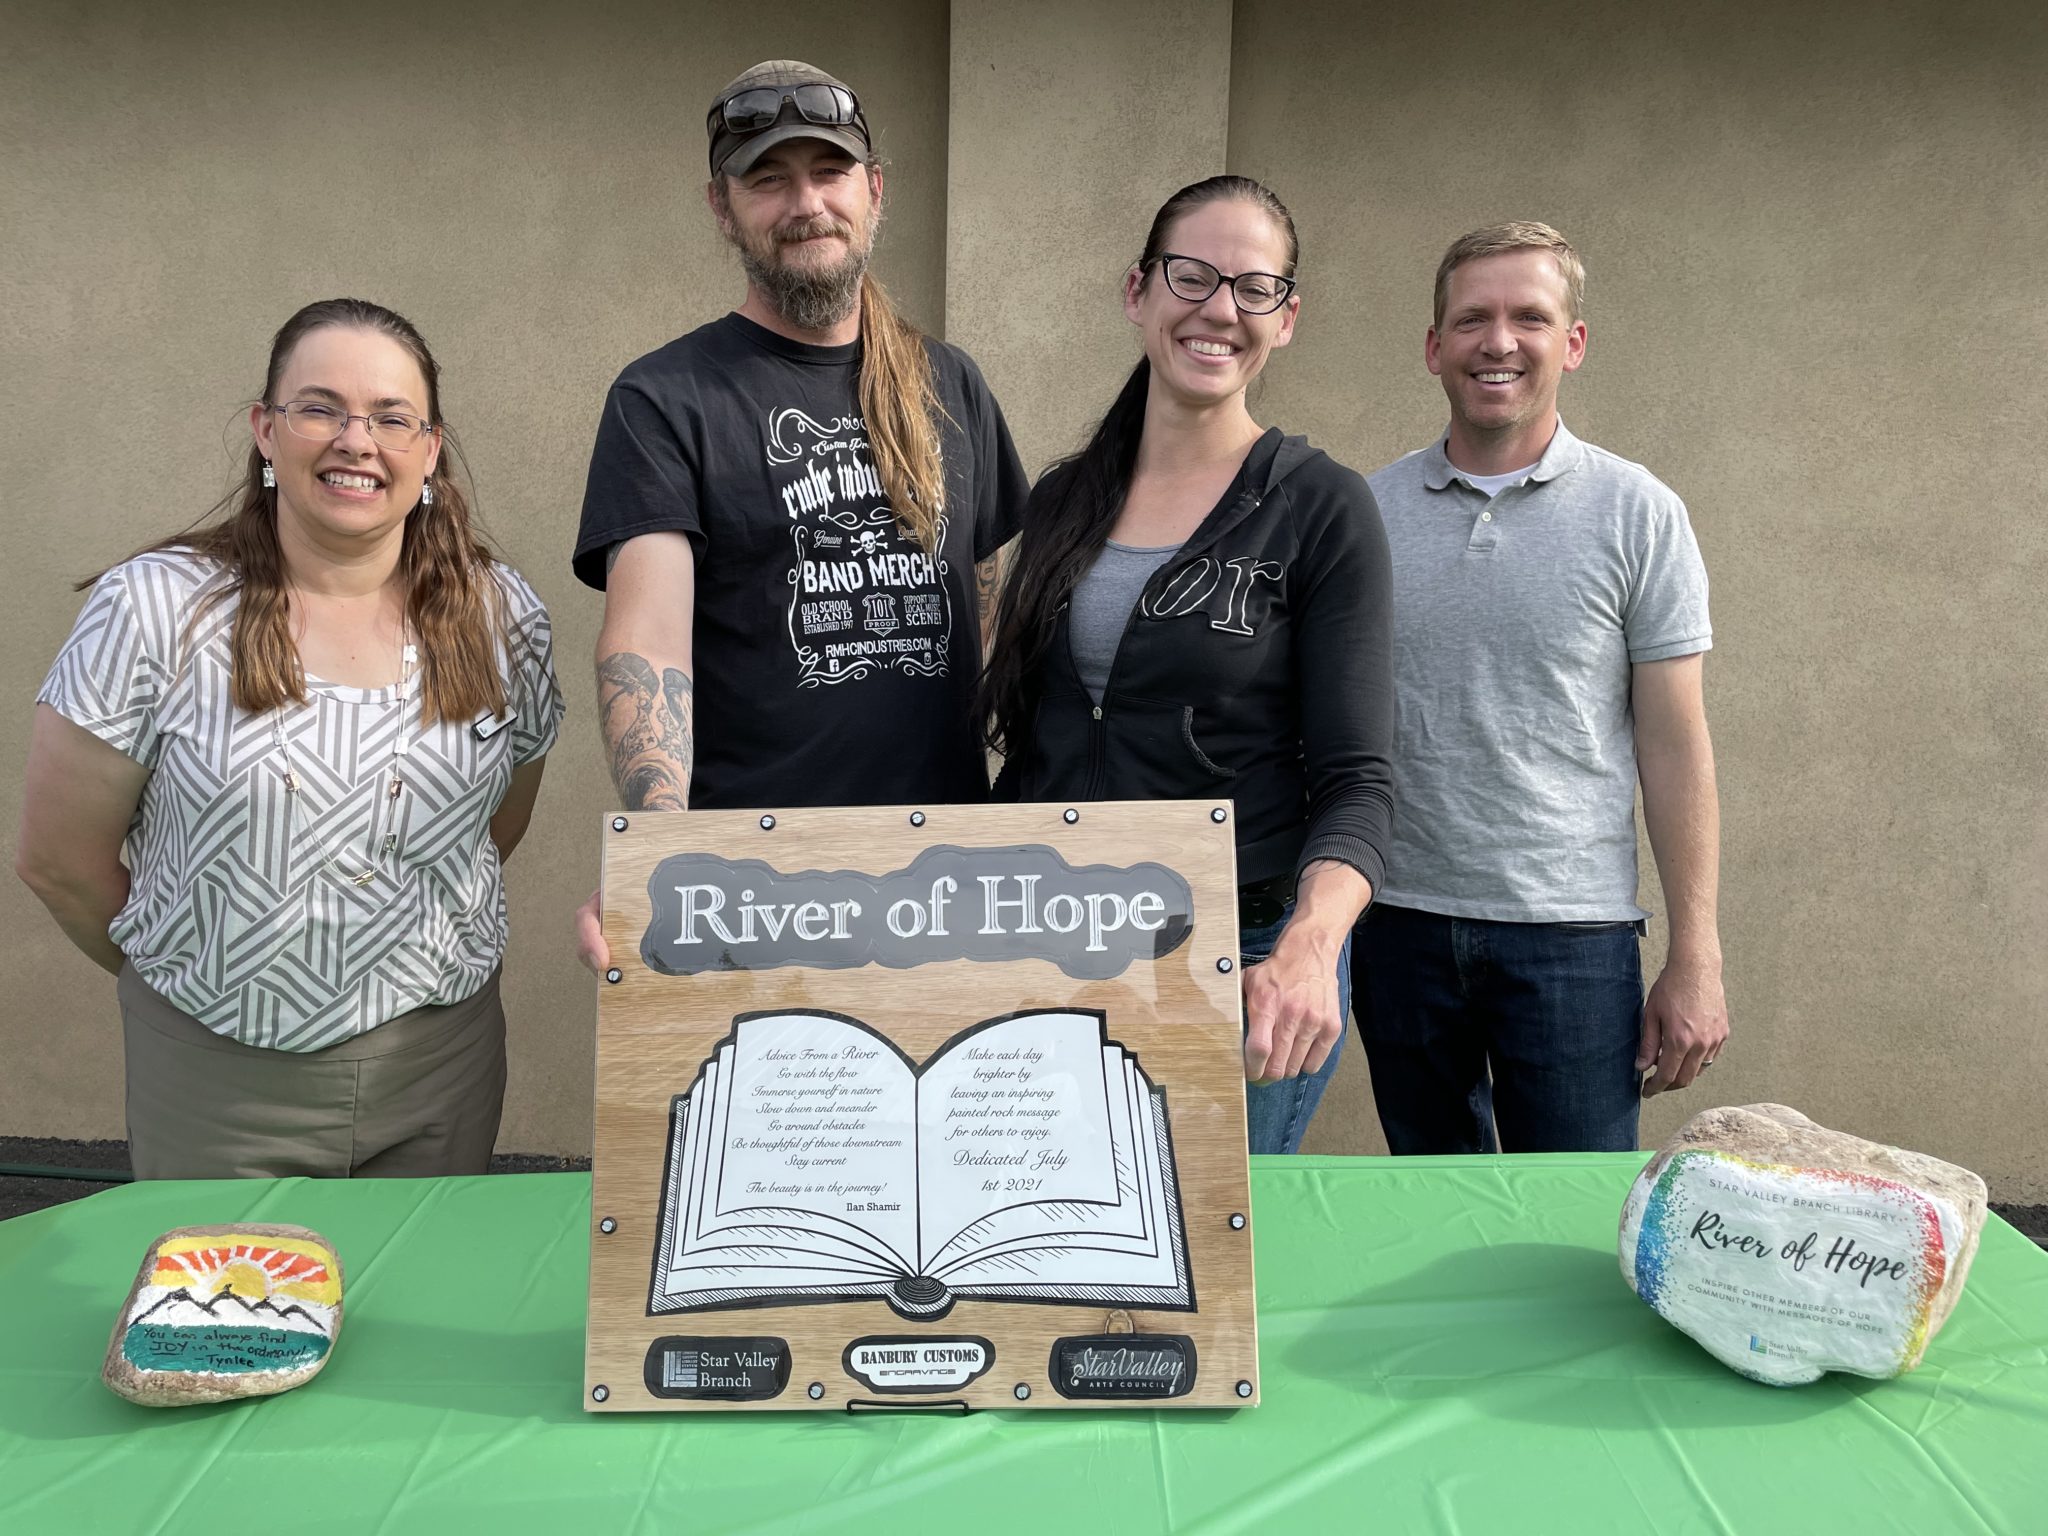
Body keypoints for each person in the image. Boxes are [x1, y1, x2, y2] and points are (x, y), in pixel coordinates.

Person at [17, 298, 565, 1179]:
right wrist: (205, 977)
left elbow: (495, 828)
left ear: (429, 451)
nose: (357, 440)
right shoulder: (155, 610)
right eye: (320, 409)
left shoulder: (502, 616)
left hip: (441, 1077)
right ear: (266, 431)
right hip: (217, 1088)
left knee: (427, 1276)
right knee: (221, 1280)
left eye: (392, 417)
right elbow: (59, 863)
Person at [571, 59, 1027, 970]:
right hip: (757, 895)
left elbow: (977, 606)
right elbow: (647, 643)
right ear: (722, 206)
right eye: (768, 180)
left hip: (942, 886)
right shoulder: (666, 399)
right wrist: (660, 851)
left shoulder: (950, 383)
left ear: (874, 190)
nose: (806, 203)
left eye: (828, 172)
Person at [982, 175, 1395, 1154]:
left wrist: (1309, 946)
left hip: (1238, 959)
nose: (1219, 308)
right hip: (1049, 941)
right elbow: (1025, 740)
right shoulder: (1062, 501)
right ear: (1138, 292)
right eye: (1192, 276)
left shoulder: (1320, 507)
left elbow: (1359, 783)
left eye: (1254, 288)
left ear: (1285, 319)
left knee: (1199, 1240)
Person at [1356, 221, 1728, 1155]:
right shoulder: (1366, 514)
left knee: (1571, 1214)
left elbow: (1675, 746)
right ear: (1434, 346)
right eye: (1472, 319)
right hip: (1397, 923)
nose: (1500, 341)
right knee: (1434, 1208)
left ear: (1574, 342)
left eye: (1530, 316)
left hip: (1572, 937)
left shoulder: (1639, 513)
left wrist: (1697, 956)